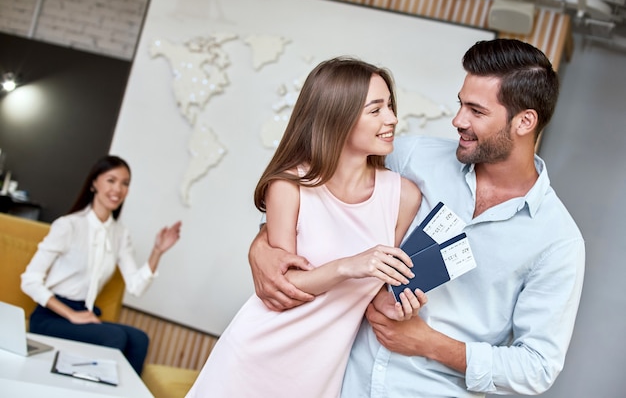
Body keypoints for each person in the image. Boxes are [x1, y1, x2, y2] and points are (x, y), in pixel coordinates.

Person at [248, 39, 586, 397]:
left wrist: (428, 343)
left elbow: (537, 367)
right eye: (461, 104)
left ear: (524, 122)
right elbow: (314, 202)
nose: (458, 120)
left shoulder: (558, 241)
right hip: (338, 381)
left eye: (476, 111)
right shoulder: (411, 158)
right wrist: (261, 247)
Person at [186, 57, 426, 398]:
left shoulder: (403, 196)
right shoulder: (289, 185)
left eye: (389, 106)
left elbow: (374, 292)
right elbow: (282, 289)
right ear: (337, 116)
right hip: (252, 359)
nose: (391, 119)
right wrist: (348, 266)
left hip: (318, 375)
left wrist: (391, 305)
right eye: (376, 110)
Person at [21, 155, 181, 375]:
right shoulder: (68, 226)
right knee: (114, 337)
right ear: (95, 183)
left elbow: (136, 286)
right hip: (52, 316)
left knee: (139, 339)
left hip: (85, 315)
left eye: (125, 183)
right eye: (111, 180)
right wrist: (71, 314)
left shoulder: (120, 234)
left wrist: (157, 252)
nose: (118, 189)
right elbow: (29, 280)